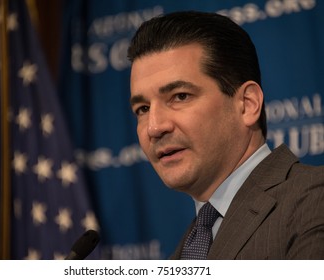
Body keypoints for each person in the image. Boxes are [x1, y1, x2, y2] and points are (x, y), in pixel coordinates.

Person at [127, 11, 324, 259]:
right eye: (142, 109)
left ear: (247, 104)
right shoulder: (187, 249)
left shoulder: (314, 200)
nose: (154, 127)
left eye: (180, 96)